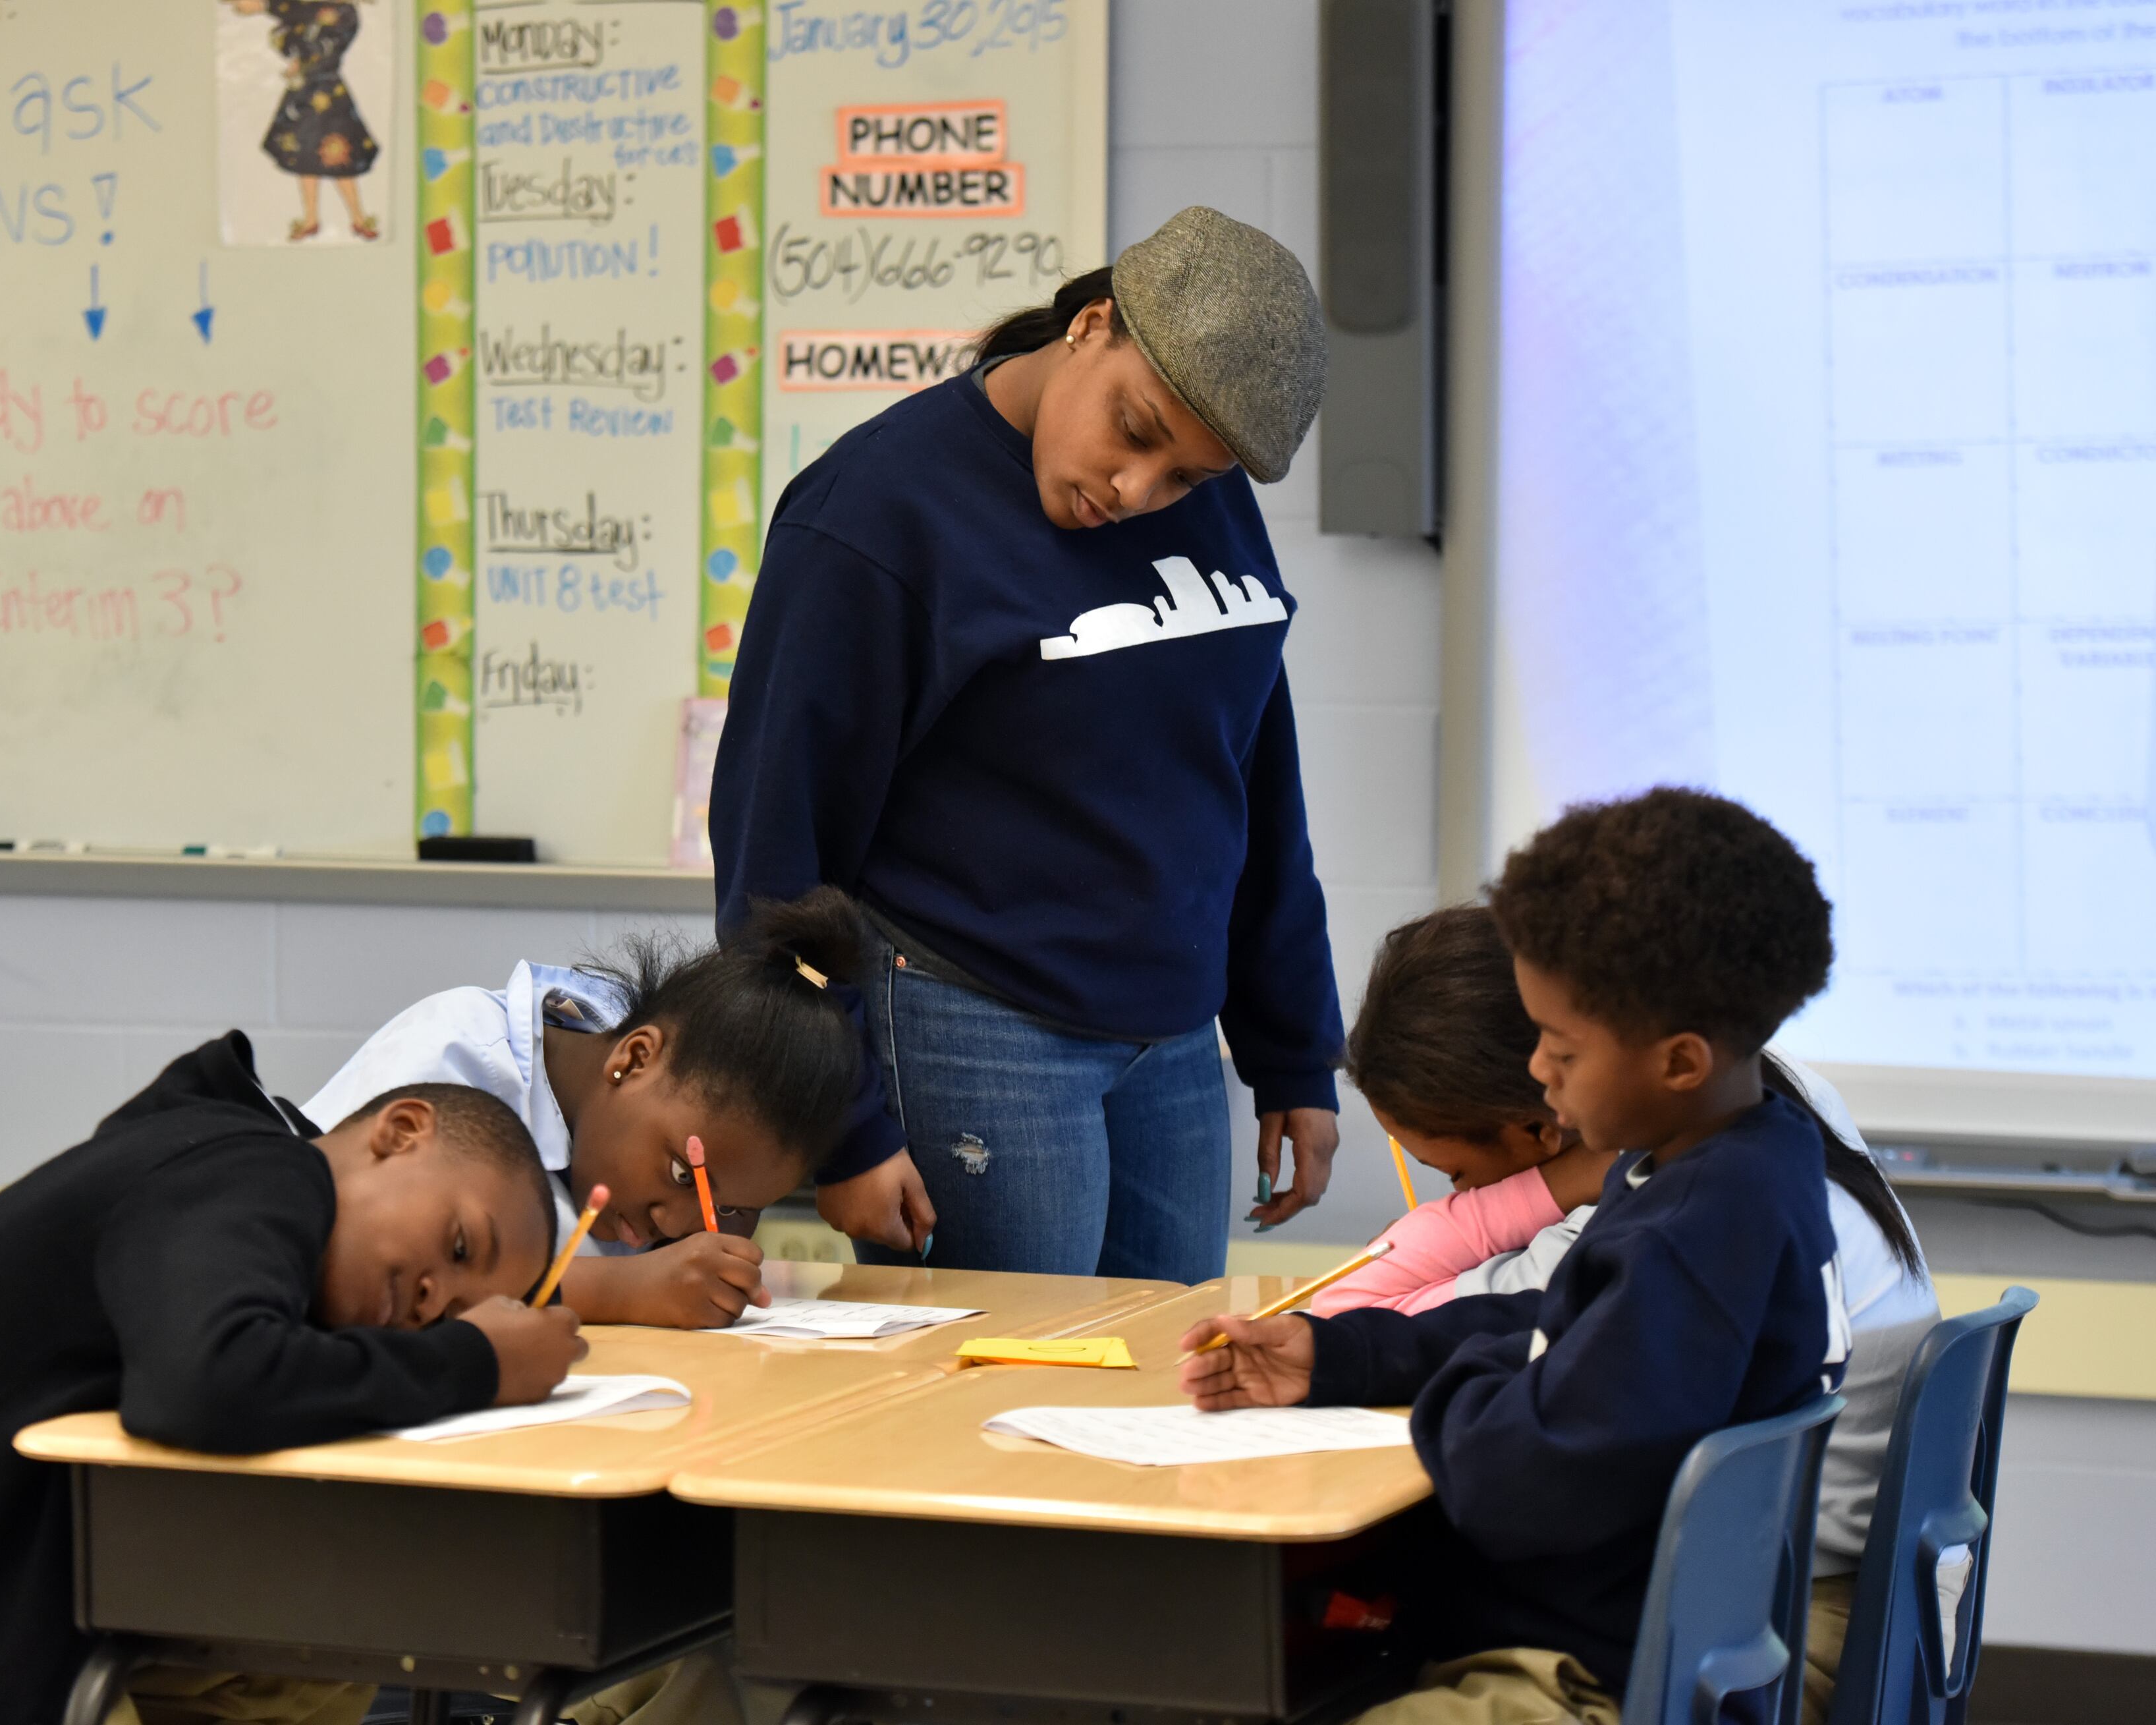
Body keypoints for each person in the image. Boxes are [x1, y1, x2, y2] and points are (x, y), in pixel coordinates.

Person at [711, 206, 1346, 1282]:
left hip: (1175, 1035)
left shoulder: (1211, 492)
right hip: (972, 1022)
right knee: (989, 1413)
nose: (1139, 492)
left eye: (1186, 478)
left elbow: (1251, 782)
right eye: (1137, 431)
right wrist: (842, 1121)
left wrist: (1294, 1048)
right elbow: (776, 848)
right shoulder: (873, 511)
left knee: (1155, 1402)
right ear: (1091, 324)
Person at [0, 1036, 580, 1725]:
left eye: (458, 1308)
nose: (431, 1299)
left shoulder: (231, 1179)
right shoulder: (255, 1173)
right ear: (398, 1131)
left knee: (301, 1678)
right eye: (458, 1245)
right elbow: (210, 1381)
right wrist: (479, 1360)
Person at [1182, 787, 1852, 1725]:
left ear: (1681, 1061)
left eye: (1562, 1048)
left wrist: (1464, 1394)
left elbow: (1523, 1488)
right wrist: (1341, 1356)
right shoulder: (1737, 1159)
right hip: (1634, 1629)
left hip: (1584, 1670)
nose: (1538, 1070)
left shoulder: (1691, 1234)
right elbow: (1558, 1320)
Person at [1327, 903, 1937, 1722]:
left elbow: (1497, 1406)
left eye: (1462, 1172)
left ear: (1543, 1121)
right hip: (1784, 1579)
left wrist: (1534, 1197)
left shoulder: (1680, 1208)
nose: (1461, 1194)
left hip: (1736, 1613)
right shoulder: (1769, 1110)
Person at [304, 889, 868, 1328]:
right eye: (681, 1173)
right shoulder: (454, 1059)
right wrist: (621, 1290)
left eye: (731, 1211)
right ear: (635, 1057)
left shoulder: (644, 1135)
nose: (675, 1223)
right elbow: (354, 1277)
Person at [233, 0, 381, 240]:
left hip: (328, 92)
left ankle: (357, 217)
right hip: (305, 91)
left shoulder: (343, 13)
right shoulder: (310, 10)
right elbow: (294, 31)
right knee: (305, 153)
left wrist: (268, 9)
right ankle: (312, 218)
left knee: (341, 156)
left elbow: (318, 41)